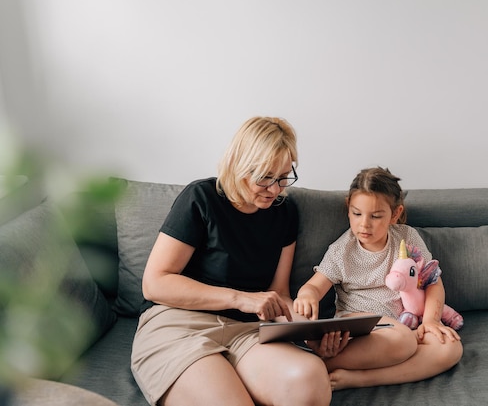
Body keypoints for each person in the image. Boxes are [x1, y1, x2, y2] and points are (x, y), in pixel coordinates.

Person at [131, 116, 332, 406]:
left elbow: (280, 296)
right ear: (239, 164)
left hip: (248, 332)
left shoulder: (285, 212)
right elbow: (155, 284)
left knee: (310, 382)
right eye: (265, 177)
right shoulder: (201, 198)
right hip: (180, 324)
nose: (275, 190)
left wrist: (308, 331)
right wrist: (241, 299)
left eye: (284, 176)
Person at [294, 167, 463, 391]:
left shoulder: (406, 237)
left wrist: (431, 321)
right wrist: (307, 296)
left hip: (406, 326)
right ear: (348, 208)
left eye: (375, 216)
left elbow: (432, 281)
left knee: (450, 347)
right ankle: (317, 362)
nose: (364, 224)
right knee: (402, 340)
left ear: (394, 214)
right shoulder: (341, 251)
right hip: (362, 330)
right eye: (357, 214)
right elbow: (314, 286)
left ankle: (358, 379)